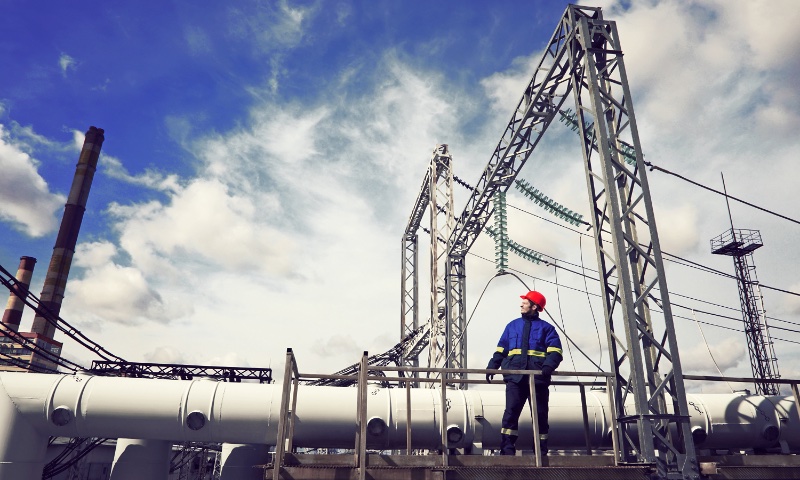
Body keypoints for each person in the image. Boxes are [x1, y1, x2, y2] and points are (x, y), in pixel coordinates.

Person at [485, 290, 563, 456]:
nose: (521, 305)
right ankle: (507, 451)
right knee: (510, 414)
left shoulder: (547, 329)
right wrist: (493, 366)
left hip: (538, 380)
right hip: (515, 378)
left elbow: (556, 352)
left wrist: (547, 367)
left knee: (540, 416)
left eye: (525, 302)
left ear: (534, 307)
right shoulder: (512, 326)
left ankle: (540, 452)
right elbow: (501, 349)